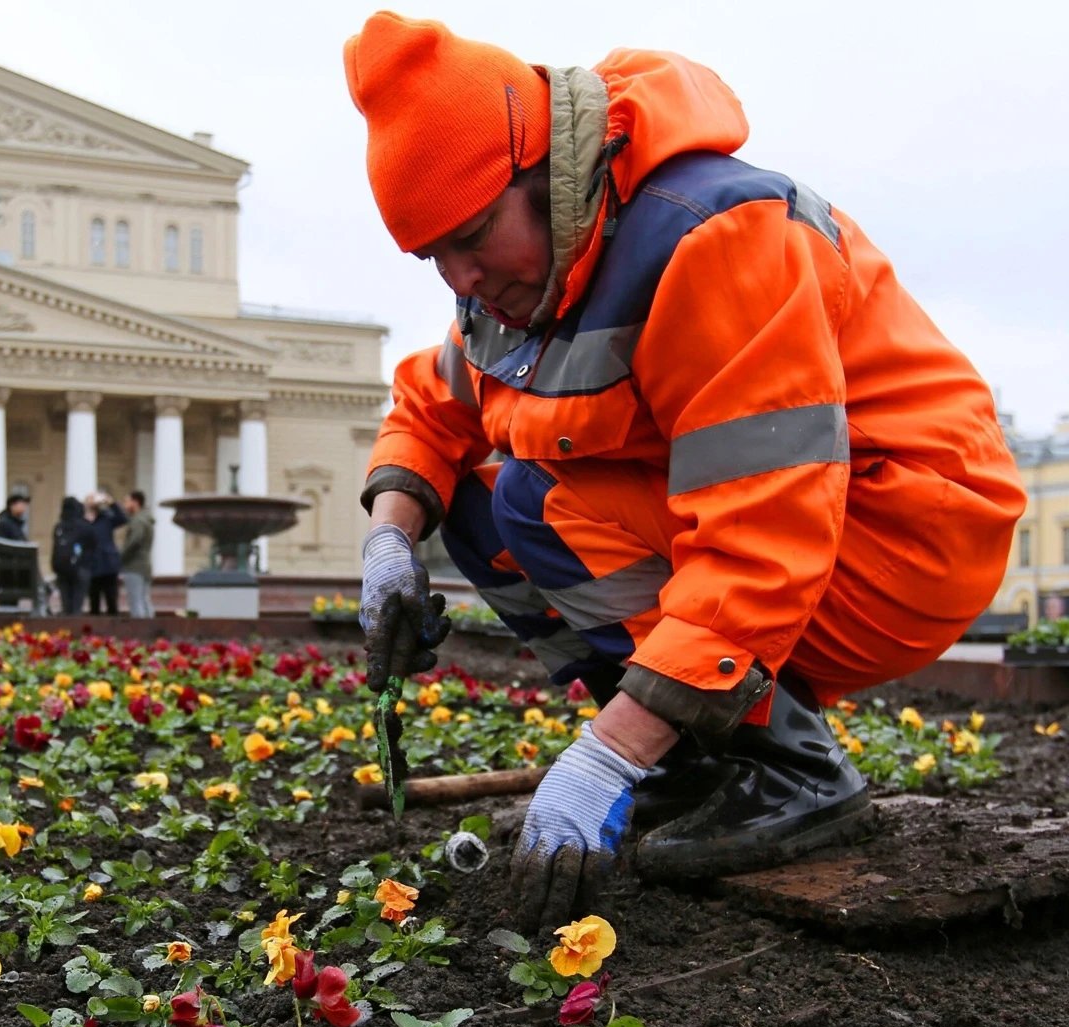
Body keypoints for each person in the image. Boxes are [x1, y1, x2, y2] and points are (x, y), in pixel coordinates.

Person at [342, 15, 1025, 930]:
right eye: (436, 257)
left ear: (545, 170)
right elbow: (432, 405)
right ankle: (701, 759)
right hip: (795, 549)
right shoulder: (523, 282)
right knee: (471, 503)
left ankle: (793, 773)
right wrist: (390, 539)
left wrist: (607, 756)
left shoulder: (713, 236)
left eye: (472, 235)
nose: (462, 278)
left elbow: (764, 530)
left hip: (901, 536)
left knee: (531, 499)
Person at [50, 496, 95, 615]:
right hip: (81, 567)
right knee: (77, 604)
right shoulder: (85, 526)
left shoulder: (59, 526)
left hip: (62, 568)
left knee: (66, 603)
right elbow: (93, 545)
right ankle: (75, 626)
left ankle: (65, 629)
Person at [84, 490, 127, 616]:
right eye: (90, 498)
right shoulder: (82, 521)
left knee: (112, 602)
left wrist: (112, 503)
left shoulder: (106, 517)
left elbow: (122, 519)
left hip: (108, 566)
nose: (93, 501)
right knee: (94, 603)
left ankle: (113, 631)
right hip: (91, 566)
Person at [119, 490, 155, 618]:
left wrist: (121, 557)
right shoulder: (145, 519)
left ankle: (141, 633)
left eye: (126, 501)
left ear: (135, 502)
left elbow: (133, 542)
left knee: (136, 601)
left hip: (134, 566)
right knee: (144, 600)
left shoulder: (138, 521)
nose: (124, 505)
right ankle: (150, 630)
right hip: (143, 565)